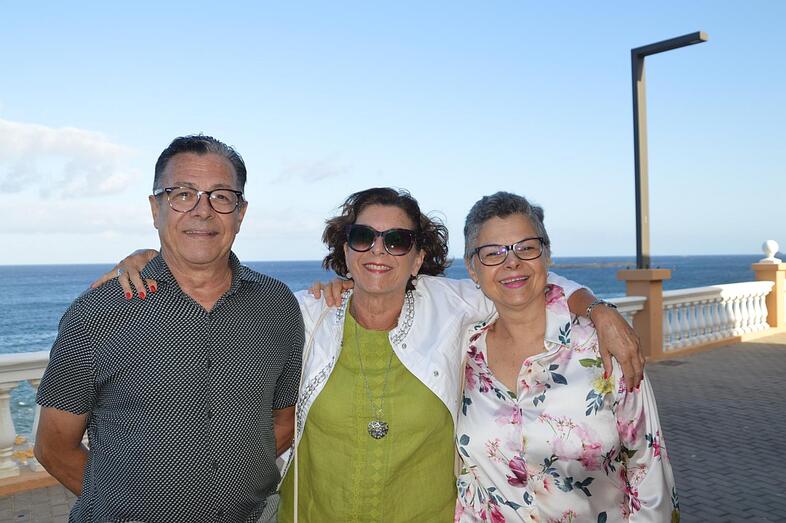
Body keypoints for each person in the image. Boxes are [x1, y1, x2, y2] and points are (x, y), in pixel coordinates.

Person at [97, 187, 643, 522]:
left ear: (418, 257)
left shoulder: (452, 304)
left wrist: (596, 307)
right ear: (345, 249)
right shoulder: (307, 314)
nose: (379, 250)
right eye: (363, 237)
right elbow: (222, 293)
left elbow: (522, 278)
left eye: (397, 241)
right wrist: (157, 259)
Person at [35, 135, 304, 523]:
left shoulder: (277, 306)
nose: (202, 211)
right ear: (155, 208)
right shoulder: (97, 315)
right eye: (182, 194)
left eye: (221, 196)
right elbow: (54, 447)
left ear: (241, 213)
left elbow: (282, 422)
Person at [455, 192, 678, 522]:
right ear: (472, 269)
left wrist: (597, 309)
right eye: (492, 253)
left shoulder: (602, 346)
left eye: (526, 248)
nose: (511, 262)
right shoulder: (463, 349)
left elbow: (648, 467)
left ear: (546, 256)